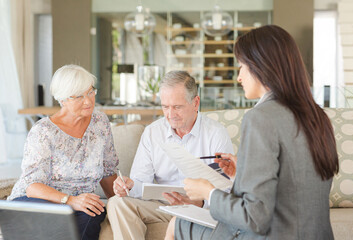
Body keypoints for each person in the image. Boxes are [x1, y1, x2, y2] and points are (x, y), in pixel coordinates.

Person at [165, 25, 339, 240]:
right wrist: (241, 175)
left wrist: (207, 191)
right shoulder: (318, 116)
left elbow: (254, 217)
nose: (239, 77)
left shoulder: (260, 117)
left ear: (260, 66)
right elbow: (292, 187)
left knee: (176, 223)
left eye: (241, 67)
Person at [107, 70, 234, 240]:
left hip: (201, 209)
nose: (170, 114)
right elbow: (140, 183)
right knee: (117, 202)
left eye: (177, 107)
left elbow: (226, 190)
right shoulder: (153, 132)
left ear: (196, 103)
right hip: (162, 207)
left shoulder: (216, 134)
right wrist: (128, 186)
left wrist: (201, 202)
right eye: (165, 107)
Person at [8, 64, 119, 240]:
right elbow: (32, 186)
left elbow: (107, 172)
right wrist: (70, 201)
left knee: (95, 212)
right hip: (39, 201)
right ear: (62, 99)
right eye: (79, 96)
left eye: (90, 92)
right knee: (61, 217)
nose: (88, 101)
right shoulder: (43, 132)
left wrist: (123, 198)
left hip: (79, 206)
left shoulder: (100, 122)